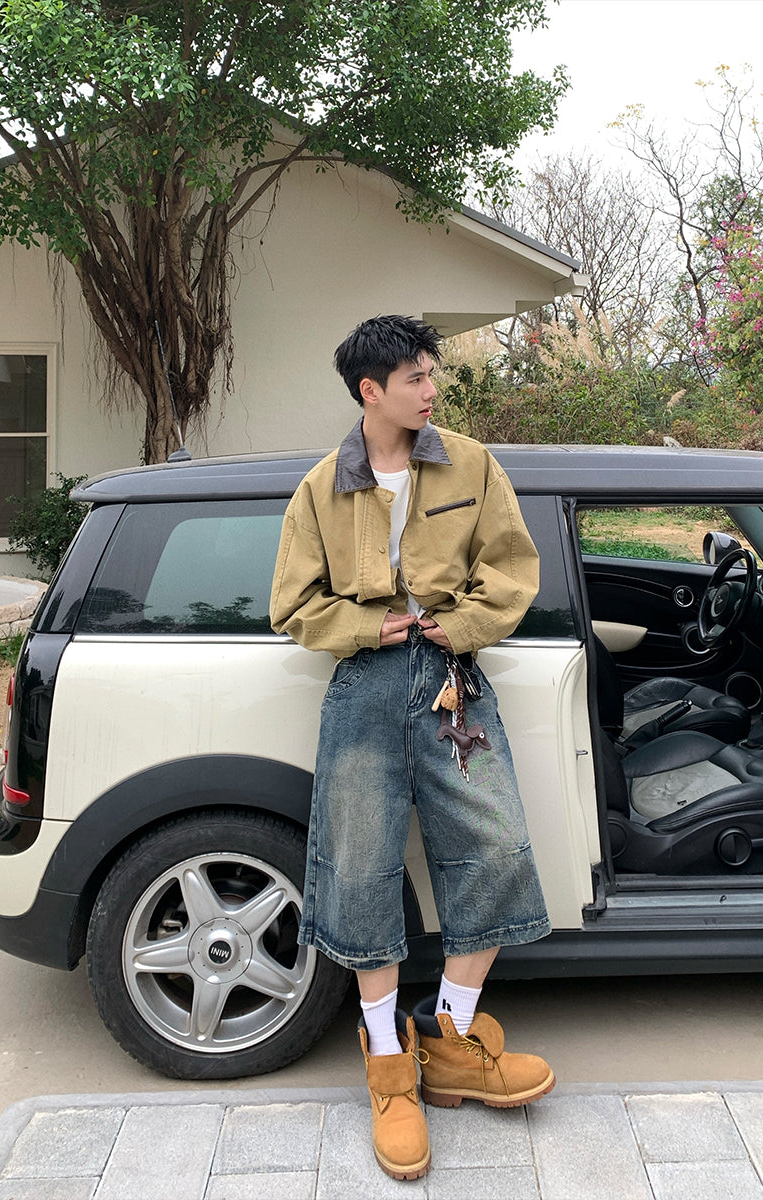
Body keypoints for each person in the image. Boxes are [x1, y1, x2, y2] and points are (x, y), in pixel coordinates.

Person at [270, 315, 554, 1180]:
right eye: (415, 378)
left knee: (495, 846)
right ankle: (389, 1067)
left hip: (452, 679)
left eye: (432, 373)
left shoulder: (471, 463)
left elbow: (512, 567)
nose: (432, 390)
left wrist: (459, 625)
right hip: (364, 684)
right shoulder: (322, 487)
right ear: (371, 390)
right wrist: (367, 626)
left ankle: (454, 1040)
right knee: (360, 865)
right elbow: (292, 605)